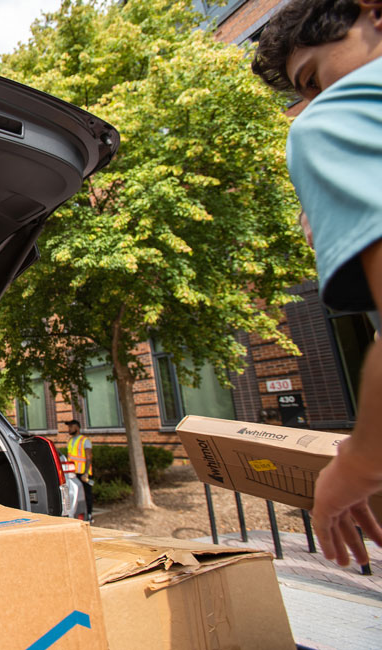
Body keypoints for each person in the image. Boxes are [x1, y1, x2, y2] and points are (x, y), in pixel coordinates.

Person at [252, 0, 382, 567]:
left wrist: (354, 467)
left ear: (371, 14)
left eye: (310, 81)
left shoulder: (332, 121)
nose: (309, 106)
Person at [65, 419, 93, 522]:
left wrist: (86, 473)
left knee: (87, 494)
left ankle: (89, 515)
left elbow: (88, 457)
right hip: (73, 474)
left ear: (76, 427)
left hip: (83, 474)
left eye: (71, 427)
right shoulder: (71, 441)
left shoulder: (85, 440)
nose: (69, 429)